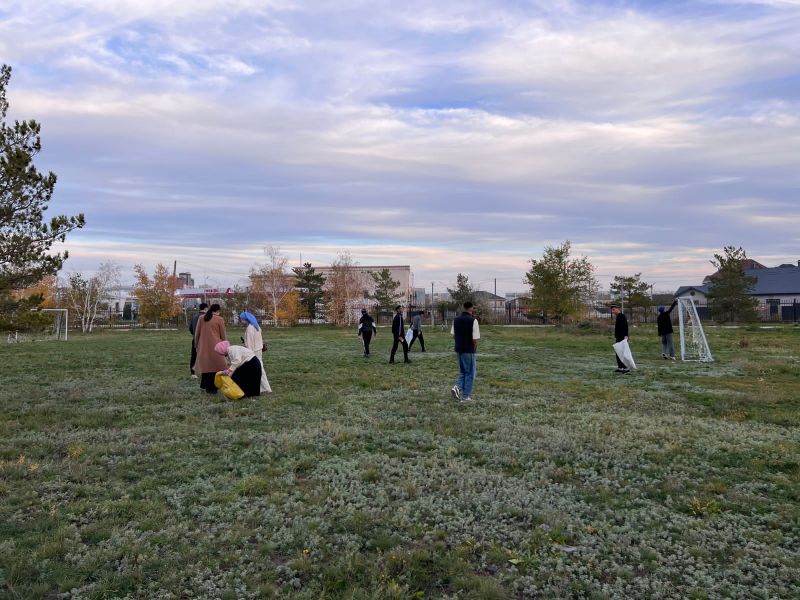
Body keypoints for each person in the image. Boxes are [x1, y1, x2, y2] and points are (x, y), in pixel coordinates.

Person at [193, 303, 228, 393]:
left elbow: (197, 333)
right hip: (217, 347)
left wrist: (196, 345)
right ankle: (215, 387)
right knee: (216, 367)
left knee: (206, 367)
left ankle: (206, 386)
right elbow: (223, 335)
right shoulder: (220, 319)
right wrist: (226, 346)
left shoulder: (202, 318)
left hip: (203, 346)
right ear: (218, 311)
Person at [451, 302, 480, 403]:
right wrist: (474, 348)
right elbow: (475, 338)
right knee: (470, 373)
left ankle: (457, 388)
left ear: (464, 307)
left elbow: (453, 335)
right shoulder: (473, 320)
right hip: (469, 349)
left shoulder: (456, 320)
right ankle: (465, 396)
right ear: (471, 308)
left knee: (463, 371)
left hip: (459, 349)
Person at [239, 311, 272, 393]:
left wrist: (247, 352)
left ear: (245, 319)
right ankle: (262, 388)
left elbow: (250, 343)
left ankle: (265, 388)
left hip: (253, 351)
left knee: (258, 369)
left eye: (241, 319)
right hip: (258, 350)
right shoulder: (257, 326)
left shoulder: (250, 328)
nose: (241, 321)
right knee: (259, 368)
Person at [188, 302, 208, 378]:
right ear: (206, 308)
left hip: (195, 339)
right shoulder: (205, 317)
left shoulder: (195, 316)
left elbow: (190, 328)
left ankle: (193, 373)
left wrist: (194, 335)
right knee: (205, 356)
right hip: (203, 340)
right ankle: (205, 372)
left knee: (194, 356)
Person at [610, 304, 630, 373]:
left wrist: (626, 335)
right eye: (612, 310)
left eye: (614, 310)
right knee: (618, 352)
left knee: (622, 353)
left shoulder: (621, 316)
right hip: (618, 337)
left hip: (622, 337)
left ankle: (625, 368)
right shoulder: (618, 316)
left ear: (618, 309)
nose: (613, 311)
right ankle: (620, 367)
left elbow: (625, 326)